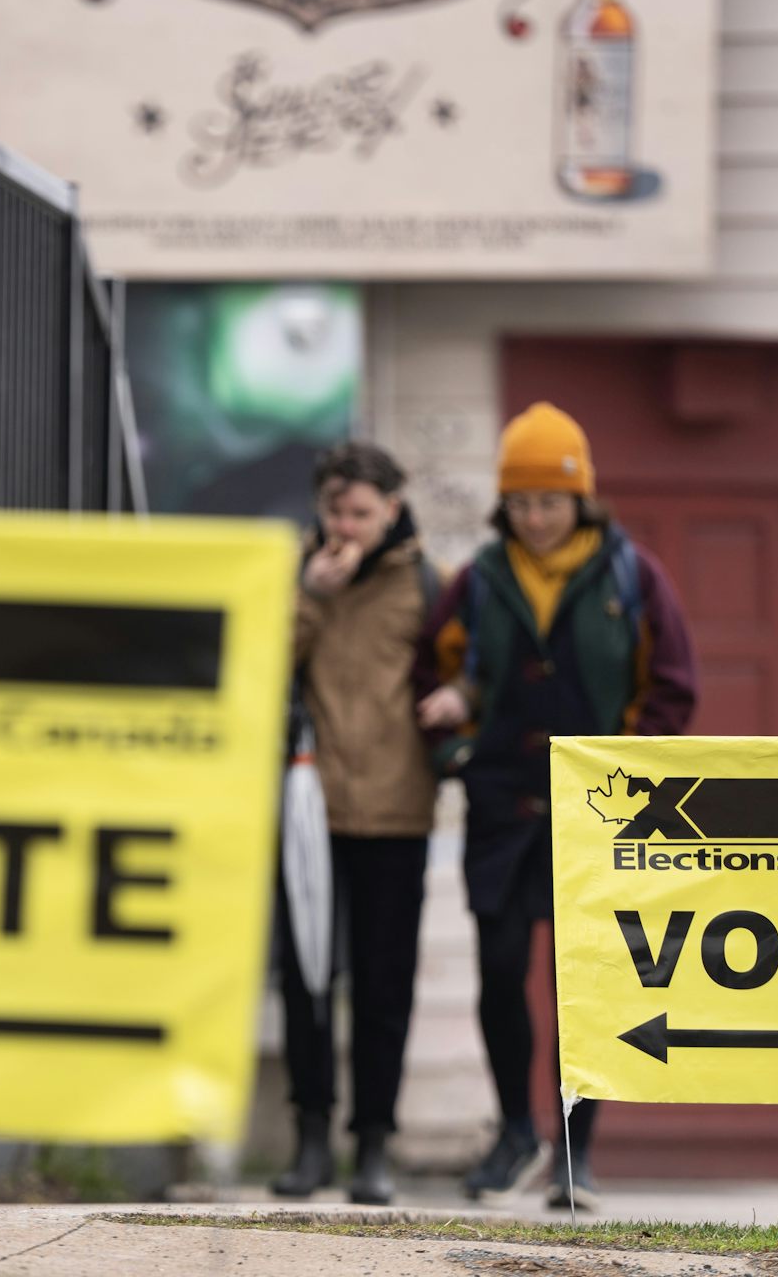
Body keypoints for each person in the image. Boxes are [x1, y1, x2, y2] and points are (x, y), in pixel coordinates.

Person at [417, 403, 695, 1211]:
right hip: (502, 808)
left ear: (582, 499)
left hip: (601, 812)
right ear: (505, 504)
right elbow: (432, 678)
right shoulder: (476, 580)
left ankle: (576, 1151)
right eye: (523, 502)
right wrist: (455, 752)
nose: (536, 517)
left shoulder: (631, 578)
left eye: (552, 500)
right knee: (501, 967)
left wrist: (626, 767)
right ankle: (513, 1132)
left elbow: (674, 687)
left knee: (589, 982)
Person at [274, 441, 444, 1207]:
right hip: (308, 809)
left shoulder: (425, 585)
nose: (347, 526)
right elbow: (261, 665)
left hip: (397, 808)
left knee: (385, 987)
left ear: (392, 511)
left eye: (363, 513)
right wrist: (310, 594)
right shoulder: (296, 575)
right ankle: (311, 1137)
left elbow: (454, 672)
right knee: (307, 978)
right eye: (336, 511)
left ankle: (374, 1142)